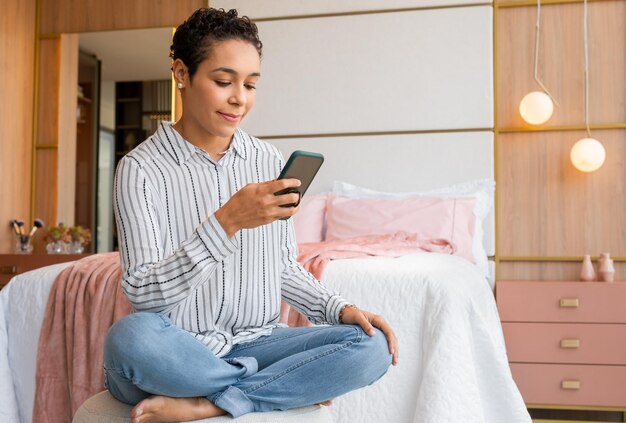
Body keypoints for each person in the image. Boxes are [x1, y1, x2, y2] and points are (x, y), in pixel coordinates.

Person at [104, 8, 398, 423]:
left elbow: (280, 266)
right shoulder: (139, 169)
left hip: (260, 342)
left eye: (250, 84)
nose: (239, 98)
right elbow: (143, 294)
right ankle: (272, 388)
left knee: (372, 346)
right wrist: (226, 222)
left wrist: (339, 309)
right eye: (223, 82)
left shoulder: (266, 159)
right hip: (181, 349)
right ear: (181, 73)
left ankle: (211, 402)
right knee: (130, 338)